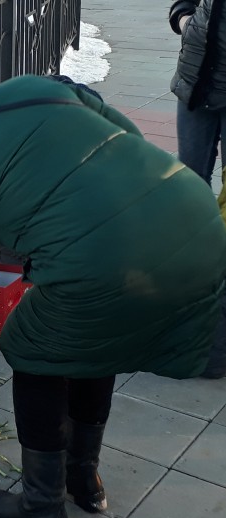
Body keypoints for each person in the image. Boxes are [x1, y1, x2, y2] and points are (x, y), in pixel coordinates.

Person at [0, 50, 226, 518]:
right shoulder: (28, 89)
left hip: (106, 261)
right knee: (92, 340)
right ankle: (84, 478)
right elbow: (123, 129)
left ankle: (41, 506)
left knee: (32, 347)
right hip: (194, 213)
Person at [169, 0, 226, 378]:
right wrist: (185, 20)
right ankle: (188, 297)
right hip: (197, 84)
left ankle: (215, 337)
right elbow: (183, 4)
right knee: (187, 189)